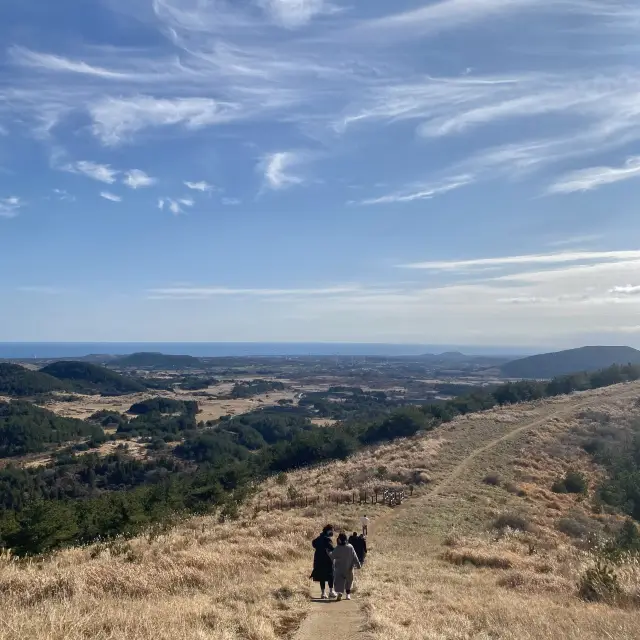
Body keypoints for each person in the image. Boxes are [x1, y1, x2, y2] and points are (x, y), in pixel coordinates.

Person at [330, 532, 361, 601]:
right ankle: (348, 595)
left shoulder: (338, 548)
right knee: (349, 581)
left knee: (339, 581)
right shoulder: (350, 547)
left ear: (339, 539)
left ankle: (340, 593)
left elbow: (332, 556)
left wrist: (328, 552)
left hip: (339, 568)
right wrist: (358, 564)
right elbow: (355, 557)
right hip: (349, 568)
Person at [310, 524, 337, 599]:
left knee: (322, 576)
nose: (332, 532)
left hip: (318, 560)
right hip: (327, 560)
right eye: (332, 531)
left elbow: (313, 543)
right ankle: (331, 591)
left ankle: (323, 593)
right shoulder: (327, 539)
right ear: (328, 531)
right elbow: (332, 549)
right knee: (330, 575)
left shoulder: (318, 539)